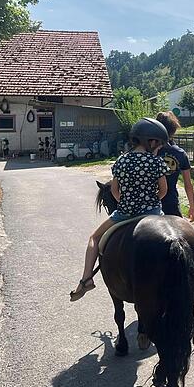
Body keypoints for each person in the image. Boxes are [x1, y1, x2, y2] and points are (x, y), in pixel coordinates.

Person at [70, 118, 170, 302]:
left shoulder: (121, 161)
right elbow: (163, 191)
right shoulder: (156, 162)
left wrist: (126, 203)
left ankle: (86, 280)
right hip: (153, 213)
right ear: (152, 141)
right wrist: (150, 201)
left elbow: (115, 191)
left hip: (125, 212)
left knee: (94, 237)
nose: (159, 148)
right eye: (159, 144)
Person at [154, 111, 194, 221]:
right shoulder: (180, 153)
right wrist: (192, 206)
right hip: (171, 204)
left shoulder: (149, 151)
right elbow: (188, 183)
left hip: (149, 204)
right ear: (174, 129)